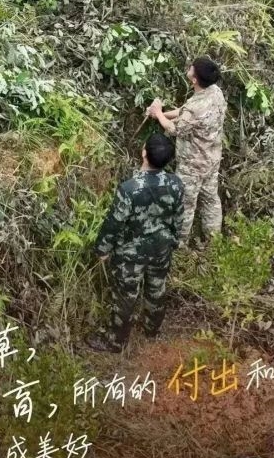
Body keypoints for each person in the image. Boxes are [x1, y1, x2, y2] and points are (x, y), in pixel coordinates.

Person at [87, 132, 184, 353]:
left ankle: (116, 341)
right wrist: (175, 240)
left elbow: (114, 222)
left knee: (126, 296)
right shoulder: (176, 184)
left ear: (144, 153)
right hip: (161, 248)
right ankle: (152, 329)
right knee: (157, 288)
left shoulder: (130, 188)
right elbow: (179, 217)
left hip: (131, 253)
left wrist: (102, 249)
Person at [146, 56, 226, 247]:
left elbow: (176, 129)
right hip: (212, 159)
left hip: (193, 165)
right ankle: (214, 241)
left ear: (194, 79)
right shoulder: (215, 92)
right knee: (210, 200)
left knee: (185, 204)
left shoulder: (195, 108)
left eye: (192, 68)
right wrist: (161, 115)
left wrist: (158, 113)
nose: (190, 67)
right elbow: (185, 111)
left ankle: (180, 244)